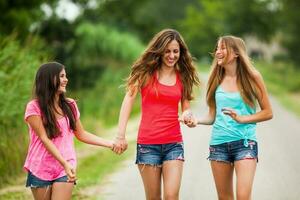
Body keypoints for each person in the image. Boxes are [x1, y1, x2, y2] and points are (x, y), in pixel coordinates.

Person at [112, 29, 200, 200]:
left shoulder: (183, 77)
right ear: (159, 50)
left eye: (176, 51)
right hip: (148, 145)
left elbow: (186, 106)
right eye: (167, 51)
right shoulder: (145, 73)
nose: (172, 55)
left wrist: (188, 115)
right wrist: (120, 135)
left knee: (171, 196)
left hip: (174, 144)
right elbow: (128, 100)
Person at [190, 35, 273, 200]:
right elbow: (212, 116)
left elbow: (268, 112)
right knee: (225, 198)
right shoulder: (216, 79)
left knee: (243, 196)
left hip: (245, 143)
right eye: (217, 48)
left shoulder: (252, 77)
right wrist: (196, 121)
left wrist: (242, 118)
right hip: (219, 145)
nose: (218, 52)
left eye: (222, 48)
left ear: (236, 53)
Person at [24, 62, 114, 200]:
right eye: (61, 76)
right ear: (48, 79)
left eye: (65, 76)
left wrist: (110, 144)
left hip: (65, 167)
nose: (66, 80)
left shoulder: (70, 105)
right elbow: (44, 138)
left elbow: (81, 134)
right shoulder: (34, 107)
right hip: (40, 167)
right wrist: (64, 163)